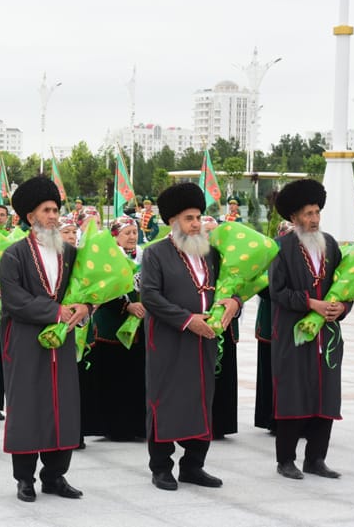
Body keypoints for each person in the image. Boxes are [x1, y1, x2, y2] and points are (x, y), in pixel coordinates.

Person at [140, 182, 239, 491]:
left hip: (204, 342)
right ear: (173, 221)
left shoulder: (211, 254)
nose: (196, 224)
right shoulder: (156, 253)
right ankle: (161, 467)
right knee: (165, 400)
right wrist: (186, 320)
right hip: (169, 340)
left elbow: (230, 287)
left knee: (201, 400)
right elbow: (151, 297)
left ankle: (193, 465)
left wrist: (234, 303)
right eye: (189, 218)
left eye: (198, 217)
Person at [0, 176, 89, 503]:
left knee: (62, 405)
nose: (54, 216)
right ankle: (25, 479)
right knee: (27, 407)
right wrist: (57, 312)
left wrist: (84, 307)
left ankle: (55, 476)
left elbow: (84, 290)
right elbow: (14, 299)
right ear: (30, 216)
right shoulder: (14, 255)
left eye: (56, 210)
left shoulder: (69, 252)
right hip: (24, 341)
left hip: (61, 343)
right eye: (46, 210)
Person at [269, 179, 350, 480]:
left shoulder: (331, 245)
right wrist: (310, 303)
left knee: (326, 396)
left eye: (317, 212)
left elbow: (345, 288)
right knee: (293, 395)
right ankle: (285, 460)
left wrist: (342, 307)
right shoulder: (281, 248)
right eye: (307, 214)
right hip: (293, 335)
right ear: (293, 218)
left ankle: (316, 458)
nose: (314, 219)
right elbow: (277, 292)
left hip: (327, 337)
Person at [89, 215, 146, 441]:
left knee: (136, 376)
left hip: (139, 328)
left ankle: (137, 425)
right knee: (114, 378)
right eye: (127, 233)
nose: (132, 237)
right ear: (116, 236)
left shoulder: (144, 256)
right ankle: (115, 427)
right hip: (111, 326)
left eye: (134, 232)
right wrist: (126, 306)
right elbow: (102, 290)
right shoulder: (107, 259)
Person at [201, 215, 238, 440]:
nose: (212, 235)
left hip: (226, 325)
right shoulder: (195, 257)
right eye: (208, 231)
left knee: (224, 375)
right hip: (202, 324)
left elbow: (240, 289)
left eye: (216, 230)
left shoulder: (230, 258)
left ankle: (221, 424)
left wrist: (236, 302)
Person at [254, 220, 293, 434]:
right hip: (272, 320)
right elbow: (260, 286)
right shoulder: (270, 253)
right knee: (270, 371)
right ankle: (271, 418)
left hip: (296, 321)